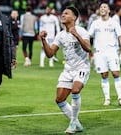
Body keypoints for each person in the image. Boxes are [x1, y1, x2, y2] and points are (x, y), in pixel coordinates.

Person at [39, 6, 91, 134]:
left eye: (66, 13)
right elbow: (50, 54)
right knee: (59, 99)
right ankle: (77, 124)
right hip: (68, 70)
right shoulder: (60, 35)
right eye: (62, 13)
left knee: (75, 90)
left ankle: (73, 123)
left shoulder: (82, 31)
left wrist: (76, 35)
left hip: (81, 67)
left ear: (74, 17)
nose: (63, 15)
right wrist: (43, 40)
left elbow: (88, 48)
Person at [89, 2, 121, 106]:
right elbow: (88, 36)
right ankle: (107, 98)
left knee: (116, 73)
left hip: (112, 51)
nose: (102, 8)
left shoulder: (114, 22)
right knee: (104, 75)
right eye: (101, 7)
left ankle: (120, 97)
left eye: (105, 7)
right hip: (99, 53)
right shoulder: (95, 23)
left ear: (109, 10)